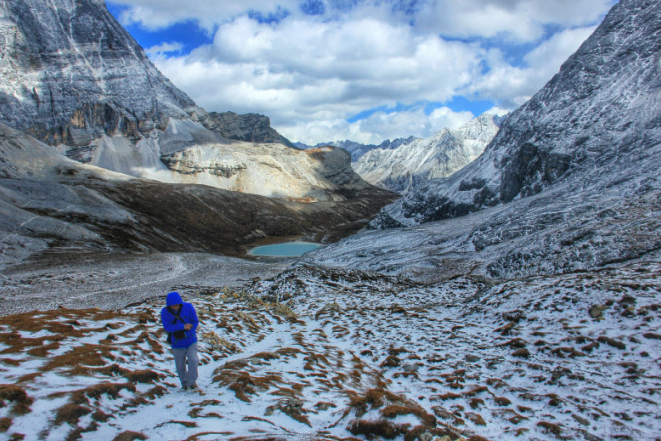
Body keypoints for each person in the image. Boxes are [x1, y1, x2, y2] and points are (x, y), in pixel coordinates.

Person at [161, 291, 199, 390]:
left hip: (191, 340)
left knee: (193, 360)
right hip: (177, 343)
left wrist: (187, 333)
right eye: (173, 306)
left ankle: (192, 381)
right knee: (180, 365)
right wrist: (182, 326)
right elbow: (167, 327)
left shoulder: (188, 307)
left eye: (177, 305)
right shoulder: (165, 312)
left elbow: (195, 322)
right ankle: (185, 383)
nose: (175, 307)